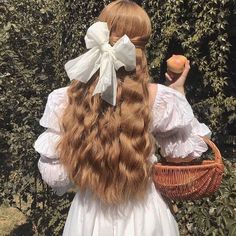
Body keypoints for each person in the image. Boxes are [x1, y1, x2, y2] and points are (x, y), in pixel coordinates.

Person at [34, 1, 211, 235]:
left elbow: (55, 177)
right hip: (146, 217)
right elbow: (185, 156)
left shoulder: (66, 99)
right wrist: (178, 92)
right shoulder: (160, 99)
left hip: (89, 218)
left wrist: (83, 151)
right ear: (142, 45)